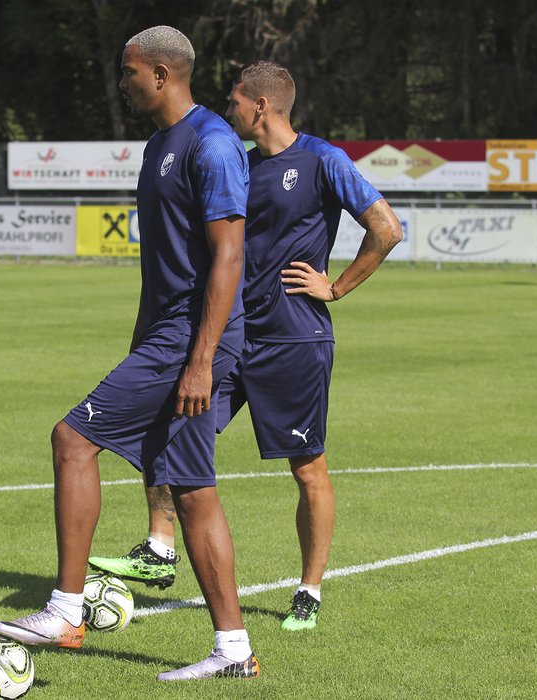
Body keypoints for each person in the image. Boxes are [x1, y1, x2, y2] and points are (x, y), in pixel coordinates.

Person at [88, 61, 403, 632]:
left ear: (261, 106)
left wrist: (335, 287)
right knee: (169, 428)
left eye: (234, 100)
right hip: (233, 335)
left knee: (307, 469)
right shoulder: (236, 164)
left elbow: (386, 227)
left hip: (294, 339)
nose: (227, 107)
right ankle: (159, 549)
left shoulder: (322, 159)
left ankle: (309, 589)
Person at [0, 26, 260, 682]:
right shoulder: (159, 145)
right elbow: (164, 264)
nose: (124, 81)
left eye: (130, 71)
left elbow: (230, 253)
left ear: (164, 75)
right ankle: (233, 650)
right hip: (168, 337)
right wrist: (145, 340)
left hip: (193, 341)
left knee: (72, 439)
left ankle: (65, 610)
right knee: (194, 491)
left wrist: (199, 360)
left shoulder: (213, 143)